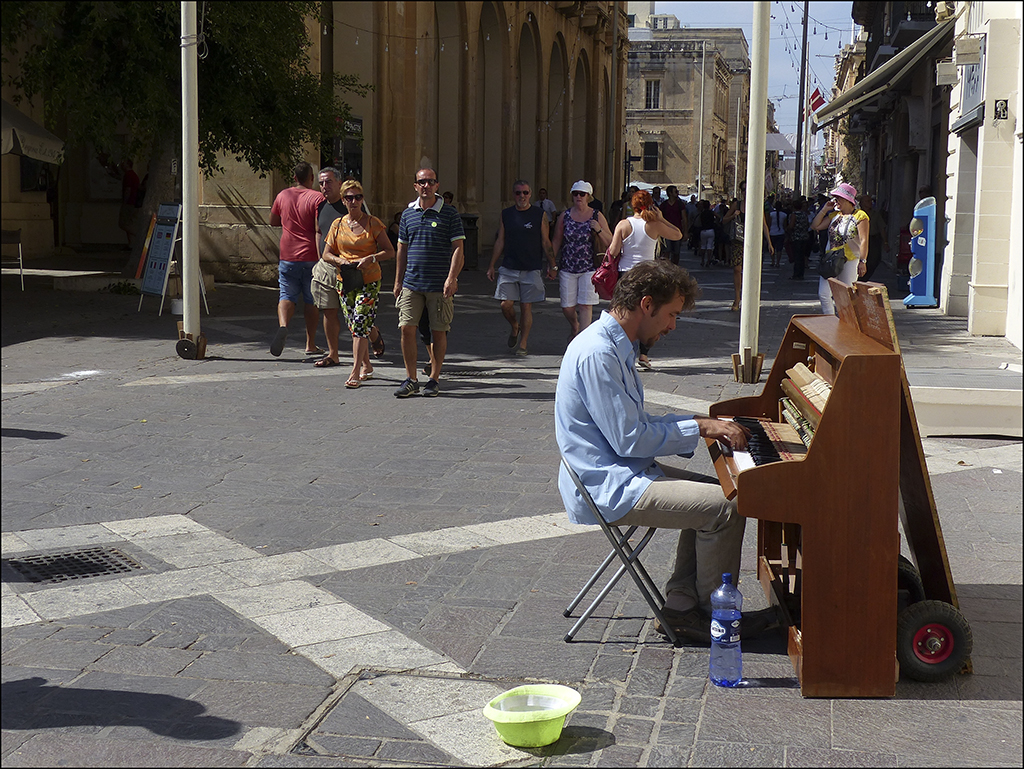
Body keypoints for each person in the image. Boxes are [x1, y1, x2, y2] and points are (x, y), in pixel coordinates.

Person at [555, 260, 778, 642]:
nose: (672, 325)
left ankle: (681, 604)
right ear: (646, 304)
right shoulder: (599, 354)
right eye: (671, 314)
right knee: (726, 506)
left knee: (719, 491)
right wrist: (701, 426)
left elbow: (632, 429)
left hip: (620, 470)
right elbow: (629, 438)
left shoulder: (614, 345)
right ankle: (716, 616)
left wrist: (694, 421)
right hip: (607, 484)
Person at [393, 167, 466, 398]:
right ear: (415, 186)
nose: (426, 186)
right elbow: (401, 250)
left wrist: (452, 278)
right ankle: (411, 378)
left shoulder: (450, 213)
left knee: (438, 332)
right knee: (406, 328)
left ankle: (434, 378)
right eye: (422, 182)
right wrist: (397, 281)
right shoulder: (407, 214)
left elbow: (458, 249)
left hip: (439, 284)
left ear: (437, 185)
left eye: (431, 182)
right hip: (412, 283)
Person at [321, 180, 395, 388]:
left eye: (358, 197)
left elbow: (390, 251)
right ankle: (368, 364)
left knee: (360, 322)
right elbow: (326, 254)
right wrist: (340, 261)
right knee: (355, 324)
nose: (354, 201)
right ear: (343, 200)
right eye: (349, 198)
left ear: (363, 199)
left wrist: (371, 258)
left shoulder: (373, 223)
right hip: (346, 280)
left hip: (369, 280)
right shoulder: (337, 225)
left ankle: (354, 372)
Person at [605, 190, 682, 370]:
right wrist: (661, 218)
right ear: (650, 205)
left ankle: (625, 352)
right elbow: (678, 234)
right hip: (648, 274)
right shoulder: (654, 225)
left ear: (633, 205)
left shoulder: (623, 225)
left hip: (626, 273)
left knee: (626, 312)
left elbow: (613, 251)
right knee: (648, 313)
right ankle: (644, 353)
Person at [486, 180, 557, 357]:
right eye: (518, 193)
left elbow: (546, 241)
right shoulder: (506, 214)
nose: (522, 196)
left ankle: (523, 343)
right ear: (513, 195)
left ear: (530, 194)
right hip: (509, 266)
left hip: (531, 267)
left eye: (525, 193)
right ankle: (514, 326)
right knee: (505, 304)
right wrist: (491, 265)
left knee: (526, 307)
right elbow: (500, 240)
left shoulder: (539, 214)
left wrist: (552, 264)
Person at [269, 161, 324, 357]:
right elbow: (320, 226)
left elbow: (273, 220)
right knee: (312, 300)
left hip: (288, 254)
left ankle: (283, 325)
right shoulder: (317, 197)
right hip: (310, 255)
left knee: (286, 294)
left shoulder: (283, 195)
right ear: (311, 179)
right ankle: (310, 343)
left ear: (294, 178)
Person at [551, 180, 612, 341]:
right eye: (575, 194)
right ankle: (574, 325)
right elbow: (557, 240)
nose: (578, 197)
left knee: (585, 305)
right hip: (567, 267)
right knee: (567, 306)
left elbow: (610, 241)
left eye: (582, 194)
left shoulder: (596, 215)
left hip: (589, 267)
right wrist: (552, 263)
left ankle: (583, 340)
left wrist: (598, 229)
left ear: (588, 197)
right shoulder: (565, 216)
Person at [811, 182, 870, 315]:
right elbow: (815, 226)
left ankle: (846, 323)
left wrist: (863, 261)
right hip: (831, 259)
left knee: (846, 295)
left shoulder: (860, 216)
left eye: (838, 198)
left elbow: (864, 240)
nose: (835, 201)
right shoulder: (834, 216)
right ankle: (831, 322)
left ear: (848, 200)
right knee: (824, 294)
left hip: (849, 260)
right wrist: (825, 210)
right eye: (834, 198)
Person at [722, 196, 774, 311]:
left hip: (753, 242)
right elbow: (724, 220)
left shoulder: (757, 205)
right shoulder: (737, 204)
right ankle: (737, 298)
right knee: (737, 269)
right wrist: (733, 215)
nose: (746, 191)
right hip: (738, 241)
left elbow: (764, 225)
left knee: (751, 271)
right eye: (743, 189)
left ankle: (750, 297)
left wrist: (769, 243)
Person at [856, 193, 888, 282]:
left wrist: (885, 242)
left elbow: (882, 228)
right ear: (861, 203)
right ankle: (859, 278)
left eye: (871, 201)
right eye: (867, 201)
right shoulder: (857, 214)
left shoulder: (876, 214)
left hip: (873, 239)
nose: (870, 203)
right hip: (860, 240)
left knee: (874, 260)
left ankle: (864, 278)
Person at [658, 186, 688, 266]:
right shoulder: (664, 205)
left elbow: (684, 218)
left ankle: (675, 266)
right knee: (667, 250)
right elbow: (660, 219)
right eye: (675, 191)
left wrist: (685, 232)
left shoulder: (680, 205)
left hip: (677, 231)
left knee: (676, 252)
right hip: (666, 232)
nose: (677, 193)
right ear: (670, 193)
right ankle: (668, 267)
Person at [786, 197, 812, 281]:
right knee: (802, 256)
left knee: (797, 256)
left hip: (796, 237)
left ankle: (796, 274)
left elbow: (791, 226)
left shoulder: (794, 214)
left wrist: (787, 230)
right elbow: (807, 224)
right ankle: (801, 273)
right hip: (804, 237)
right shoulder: (804, 214)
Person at [117, 159, 140, 248]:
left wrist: (125, 202)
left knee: (124, 224)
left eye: (124, 163)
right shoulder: (133, 175)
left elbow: (128, 190)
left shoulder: (129, 175)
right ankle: (132, 244)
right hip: (134, 202)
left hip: (129, 202)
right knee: (129, 222)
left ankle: (138, 235)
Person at [696, 200, 717, 268]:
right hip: (711, 230)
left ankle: (702, 260)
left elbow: (699, 222)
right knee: (709, 246)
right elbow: (719, 217)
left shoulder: (702, 213)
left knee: (703, 246)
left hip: (703, 230)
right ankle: (708, 260)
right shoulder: (711, 212)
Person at [768, 200, 788, 268]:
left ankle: (772, 261)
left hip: (772, 232)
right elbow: (784, 225)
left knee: (772, 247)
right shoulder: (784, 215)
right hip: (781, 232)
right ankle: (778, 262)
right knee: (779, 249)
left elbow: (769, 223)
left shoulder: (771, 214)